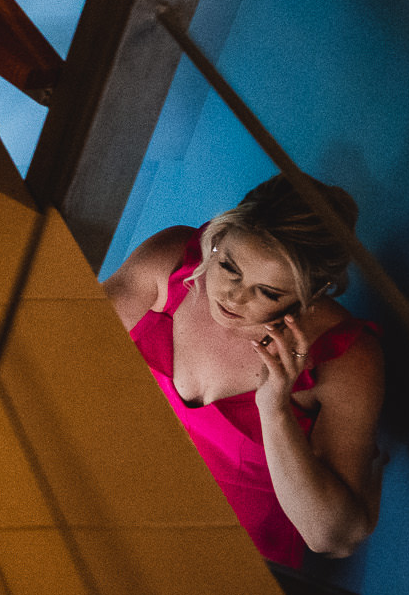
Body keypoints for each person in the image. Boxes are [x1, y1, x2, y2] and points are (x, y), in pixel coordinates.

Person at [103, 173, 382, 564]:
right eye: (229, 266)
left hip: (229, 564)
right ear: (221, 234)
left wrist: (275, 410)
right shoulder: (172, 262)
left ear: (312, 294)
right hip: (115, 503)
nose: (232, 295)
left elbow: (331, 537)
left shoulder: (346, 359)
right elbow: (65, 343)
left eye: (267, 292)